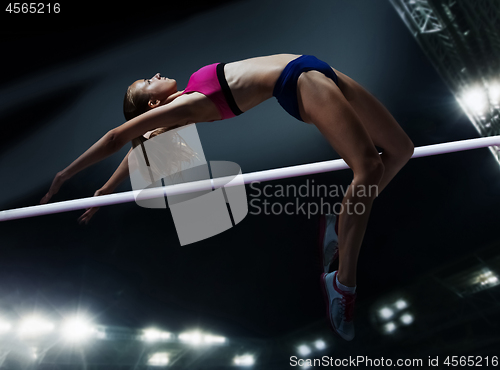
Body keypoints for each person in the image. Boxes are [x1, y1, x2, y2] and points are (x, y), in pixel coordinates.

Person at [39, 53, 414, 341]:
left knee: (400, 150)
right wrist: (65, 174)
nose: (154, 75)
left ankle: (338, 220)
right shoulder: (185, 107)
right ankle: (342, 283)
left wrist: (104, 190)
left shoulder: (186, 95)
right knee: (368, 169)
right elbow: (117, 138)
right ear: (153, 106)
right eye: (146, 83)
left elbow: (142, 148)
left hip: (314, 66)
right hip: (299, 82)